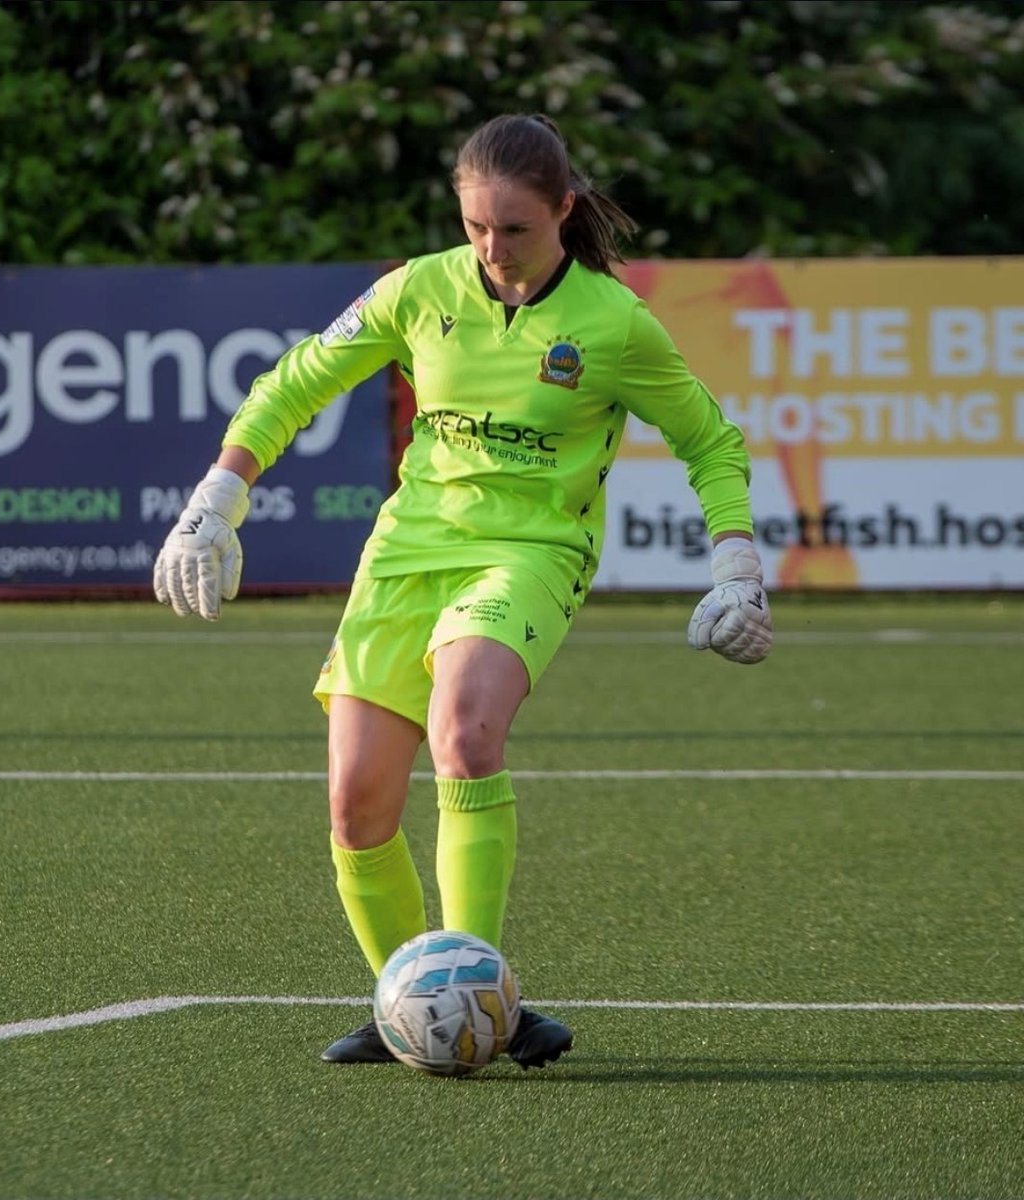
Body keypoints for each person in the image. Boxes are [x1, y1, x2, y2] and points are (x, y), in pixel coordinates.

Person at [153, 112, 773, 1070]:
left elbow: (710, 441)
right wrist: (217, 498)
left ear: (564, 209)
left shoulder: (613, 322)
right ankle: (407, 997)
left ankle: (476, 985)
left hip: (529, 551)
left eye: (515, 228)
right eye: (476, 226)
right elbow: (294, 383)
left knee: (464, 733)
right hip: (408, 553)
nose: (492, 248)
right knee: (357, 804)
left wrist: (735, 561)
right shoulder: (418, 287)